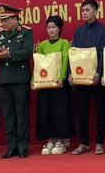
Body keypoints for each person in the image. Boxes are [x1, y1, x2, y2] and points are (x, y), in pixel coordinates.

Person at [0, 3, 34, 159]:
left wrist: (10, 54)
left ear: (15, 19)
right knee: (8, 115)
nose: (3, 24)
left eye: (6, 20)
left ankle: (23, 147)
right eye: (2, 20)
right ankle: (12, 147)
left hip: (20, 79)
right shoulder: (0, 34)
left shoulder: (26, 32)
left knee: (21, 114)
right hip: (4, 80)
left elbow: (28, 51)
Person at [69, 0, 105, 155]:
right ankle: (84, 143)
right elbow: (73, 54)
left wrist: (99, 72)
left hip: (97, 78)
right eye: (83, 10)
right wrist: (71, 73)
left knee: (100, 111)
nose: (84, 13)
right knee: (81, 112)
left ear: (95, 12)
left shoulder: (104, 30)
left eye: (87, 10)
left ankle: (99, 142)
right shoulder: (78, 31)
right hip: (81, 79)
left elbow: (103, 52)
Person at [33, 15, 74, 155]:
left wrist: (62, 77)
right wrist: (34, 80)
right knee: (45, 112)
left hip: (58, 84)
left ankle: (61, 141)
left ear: (60, 28)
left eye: (54, 27)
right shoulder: (42, 45)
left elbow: (64, 61)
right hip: (45, 85)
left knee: (60, 112)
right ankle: (50, 141)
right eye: (48, 27)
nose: (51, 30)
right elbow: (38, 64)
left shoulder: (64, 43)